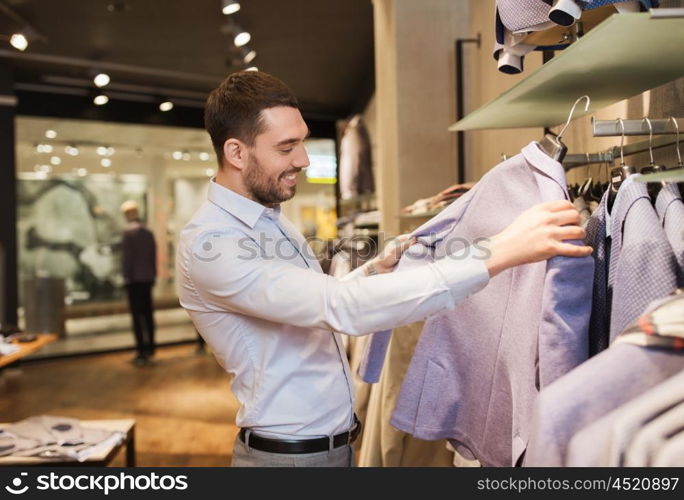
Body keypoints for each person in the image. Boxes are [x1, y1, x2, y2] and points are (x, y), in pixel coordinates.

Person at [176, 70, 592, 467]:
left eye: (302, 142)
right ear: (235, 152)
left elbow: (311, 305)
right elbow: (339, 307)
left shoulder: (269, 217)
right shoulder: (212, 246)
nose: (303, 159)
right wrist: (499, 250)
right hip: (289, 460)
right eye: (286, 148)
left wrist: (373, 273)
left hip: (330, 449)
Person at [120, 200, 157, 366]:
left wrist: (126, 277)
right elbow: (152, 256)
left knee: (137, 317)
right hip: (147, 278)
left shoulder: (128, 233)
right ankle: (150, 348)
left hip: (134, 280)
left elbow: (127, 259)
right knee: (148, 314)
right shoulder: (147, 232)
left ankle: (141, 350)